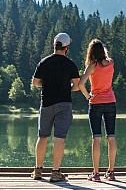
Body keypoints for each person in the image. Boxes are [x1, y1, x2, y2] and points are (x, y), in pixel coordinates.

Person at [31, 32, 80, 182]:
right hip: (64, 104)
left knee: (42, 136)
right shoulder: (70, 64)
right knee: (59, 138)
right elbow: (77, 86)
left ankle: (38, 171)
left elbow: (35, 82)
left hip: (46, 103)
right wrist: (67, 88)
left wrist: (47, 85)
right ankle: (55, 172)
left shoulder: (44, 62)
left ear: (54, 45)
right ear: (66, 48)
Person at [79, 39, 117, 182]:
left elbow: (81, 84)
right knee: (111, 137)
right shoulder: (111, 63)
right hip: (111, 102)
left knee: (97, 137)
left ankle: (96, 174)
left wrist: (88, 96)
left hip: (95, 103)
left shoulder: (92, 66)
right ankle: (111, 172)